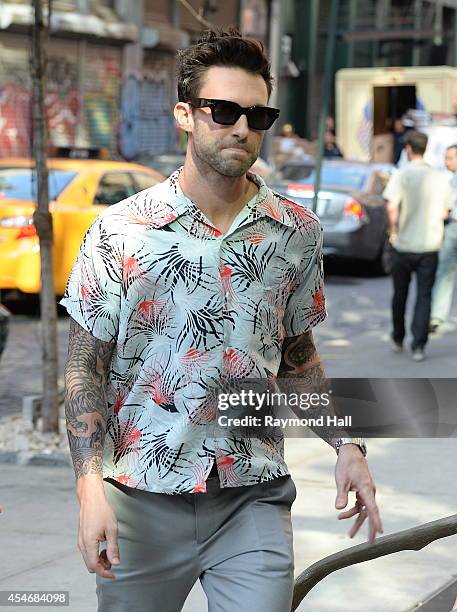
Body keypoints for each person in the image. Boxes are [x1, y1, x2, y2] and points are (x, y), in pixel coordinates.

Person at [61, 28, 383, 612]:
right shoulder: (121, 230)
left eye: (257, 114)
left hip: (252, 497)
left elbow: (298, 359)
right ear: (185, 115)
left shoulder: (295, 232)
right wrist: (89, 489)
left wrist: (348, 443)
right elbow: (86, 366)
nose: (241, 127)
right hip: (140, 498)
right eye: (224, 110)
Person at [383, 130, 453, 361]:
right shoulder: (440, 177)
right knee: (424, 295)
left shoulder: (402, 175)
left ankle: (398, 336)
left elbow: (392, 207)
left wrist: (393, 230)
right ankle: (419, 345)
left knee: (399, 294)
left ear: (409, 149)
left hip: (403, 244)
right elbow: (445, 211)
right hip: (429, 245)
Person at [429, 144, 457, 333]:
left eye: (450, 158)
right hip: (451, 228)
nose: (446, 162)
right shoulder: (447, 179)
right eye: (445, 158)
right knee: (444, 272)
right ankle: (437, 316)